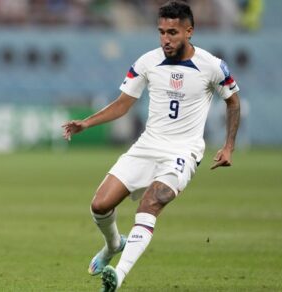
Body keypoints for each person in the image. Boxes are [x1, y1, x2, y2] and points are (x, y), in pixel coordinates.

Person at [62, 1, 241, 291]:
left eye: (172, 32)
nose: (166, 39)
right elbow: (123, 104)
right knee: (99, 205)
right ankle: (112, 245)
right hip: (147, 146)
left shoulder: (212, 66)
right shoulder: (147, 62)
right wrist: (87, 123)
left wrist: (228, 145)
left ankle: (117, 276)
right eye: (161, 32)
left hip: (183, 152)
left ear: (189, 31)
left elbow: (232, 101)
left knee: (150, 204)